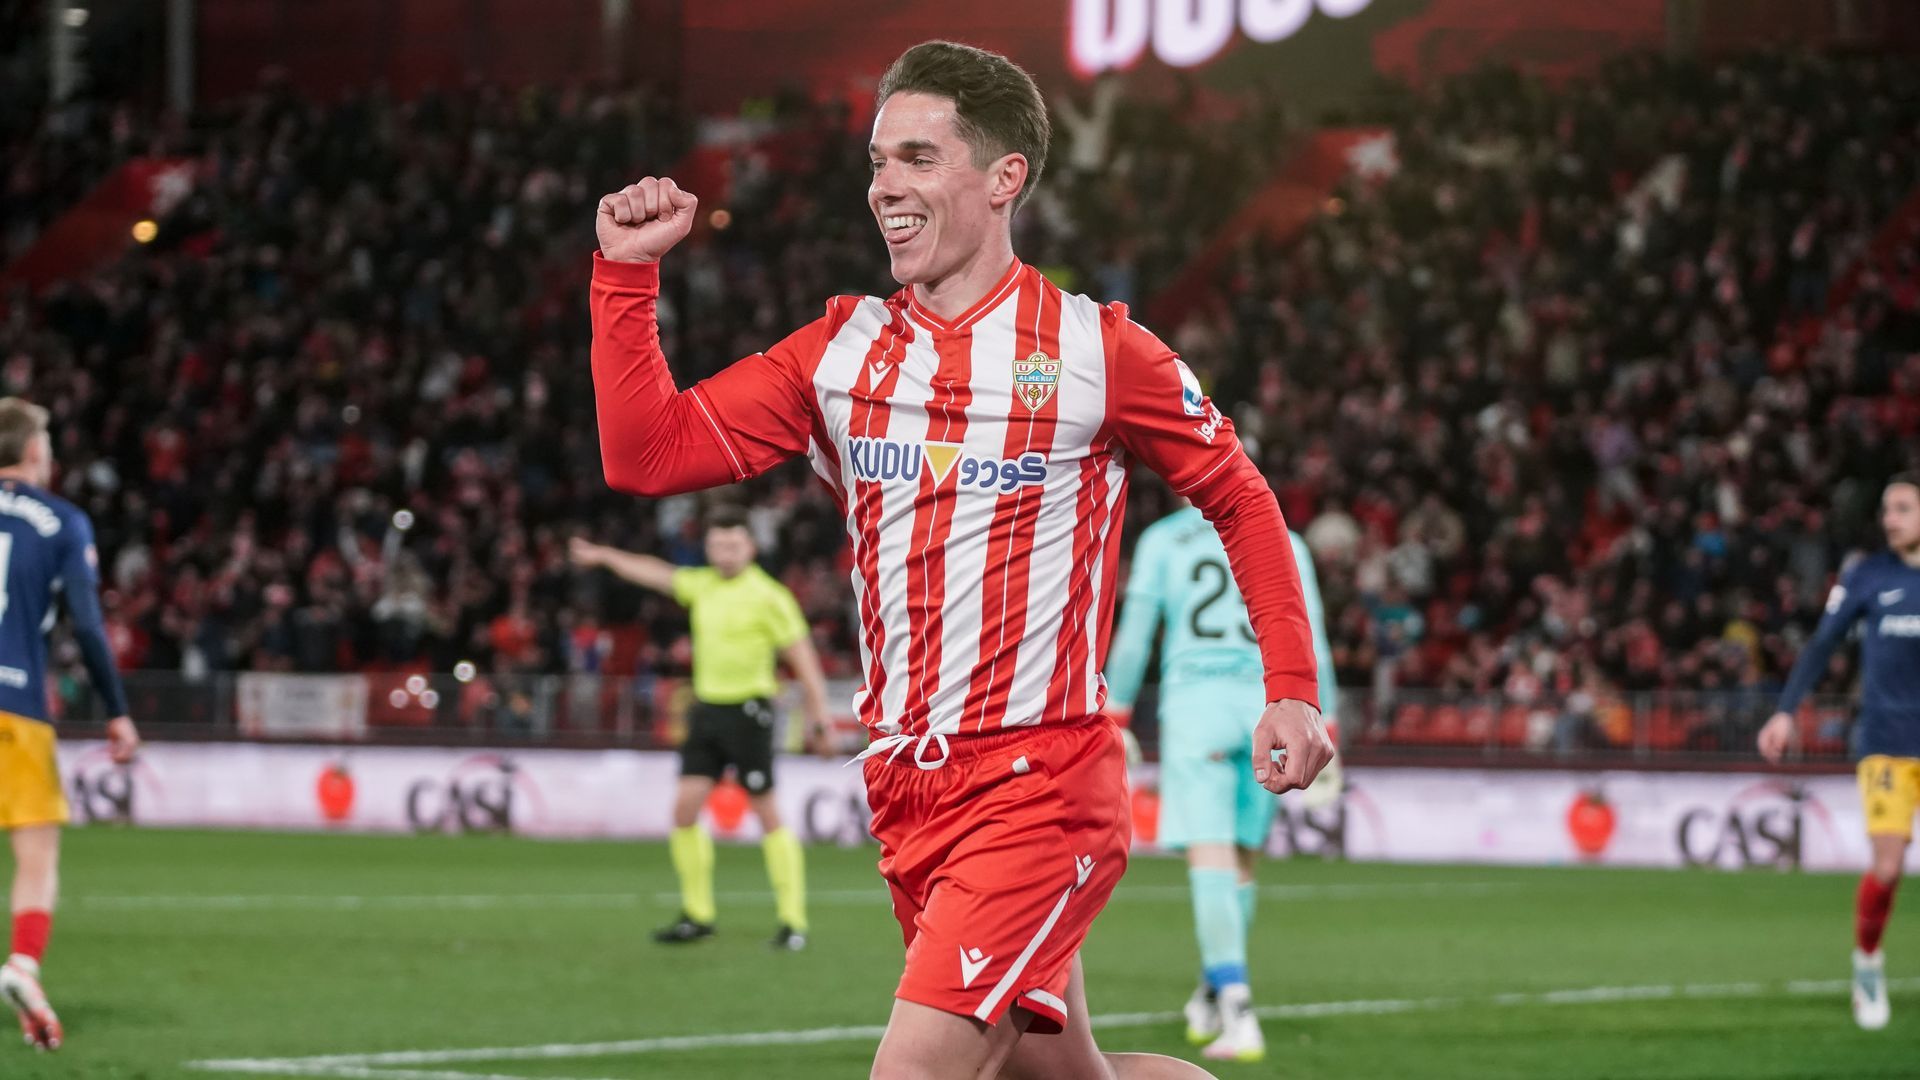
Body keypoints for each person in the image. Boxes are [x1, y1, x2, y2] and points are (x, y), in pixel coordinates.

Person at [587, 40, 1332, 1079]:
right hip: (906, 791)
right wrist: (627, 275)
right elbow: (645, 452)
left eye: (915, 158)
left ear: (1003, 177)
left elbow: (1242, 500)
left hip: (1041, 783)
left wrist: (1291, 687)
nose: (882, 186)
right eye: (878, 161)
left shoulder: (1095, 351)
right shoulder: (839, 355)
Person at [1104, 509, 1338, 1062]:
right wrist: (1325, 723)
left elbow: (1136, 634)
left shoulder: (1164, 539)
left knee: (1210, 859)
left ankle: (1238, 1011)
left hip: (1196, 706)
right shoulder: (1285, 538)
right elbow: (1314, 636)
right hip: (1268, 705)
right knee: (1241, 864)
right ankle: (1212, 994)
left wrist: (1115, 712)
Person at [569, 507, 830, 950]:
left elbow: (803, 657)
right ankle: (698, 914)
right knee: (684, 811)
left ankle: (792, 920)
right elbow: (654, 572)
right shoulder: (702, 585)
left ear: (751, 547)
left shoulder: (770, 597)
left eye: (733, 544)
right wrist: (603, 555)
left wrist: (819, 716)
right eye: (717, 545)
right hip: (707, 710)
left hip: (749, 711)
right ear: (707, 548)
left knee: (766, 812)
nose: (725, 553)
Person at [0, 399, 139, 1052]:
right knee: (36, 855)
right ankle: (23, 966)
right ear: (33, 454)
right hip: (17, 707)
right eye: (48, 447)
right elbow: (86, 625)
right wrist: (116, 709)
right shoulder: (63, 521)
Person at [1759, 473, 1920, 1031]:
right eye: (1886, 508)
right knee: (1888, 866)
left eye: (1902, 507)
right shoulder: (1867, 575)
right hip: (1887, 746)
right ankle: (1868, 963)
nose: (1889, 518)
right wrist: (1785, 709)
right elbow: (1823, 643)